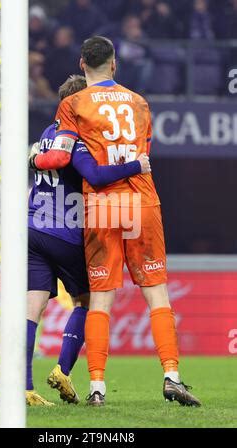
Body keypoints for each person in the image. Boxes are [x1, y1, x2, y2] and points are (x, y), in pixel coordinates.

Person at [31, 36, 201, 408]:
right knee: (156, 294)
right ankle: (171, 376)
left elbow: (60, 157)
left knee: (100, 302)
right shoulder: (140, 103)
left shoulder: (72, 103)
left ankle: (96, 389)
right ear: (114, 64)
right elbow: (144, 152)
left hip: (102, 206)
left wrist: (32, 160)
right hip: (141, 201)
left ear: (81, 64)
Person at [27, 74, 147, 406]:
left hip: (34, 227)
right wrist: (136, 164)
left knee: (31, 309)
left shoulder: (47, 135)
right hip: (68, 230)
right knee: (89, 301)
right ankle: (63, 370)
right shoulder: (79, 139)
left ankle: (24, 387)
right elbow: (94, 174)